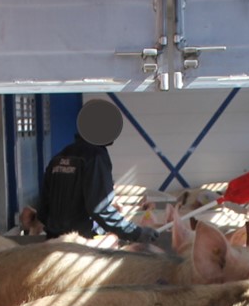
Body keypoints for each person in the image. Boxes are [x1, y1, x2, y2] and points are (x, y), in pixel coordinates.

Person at [29, 99, 160, 245]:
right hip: (81, 245)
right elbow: (100, 208)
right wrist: (135, 232)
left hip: (54, 243)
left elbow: (43, 210)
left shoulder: (59, 157)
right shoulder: (95, 157)